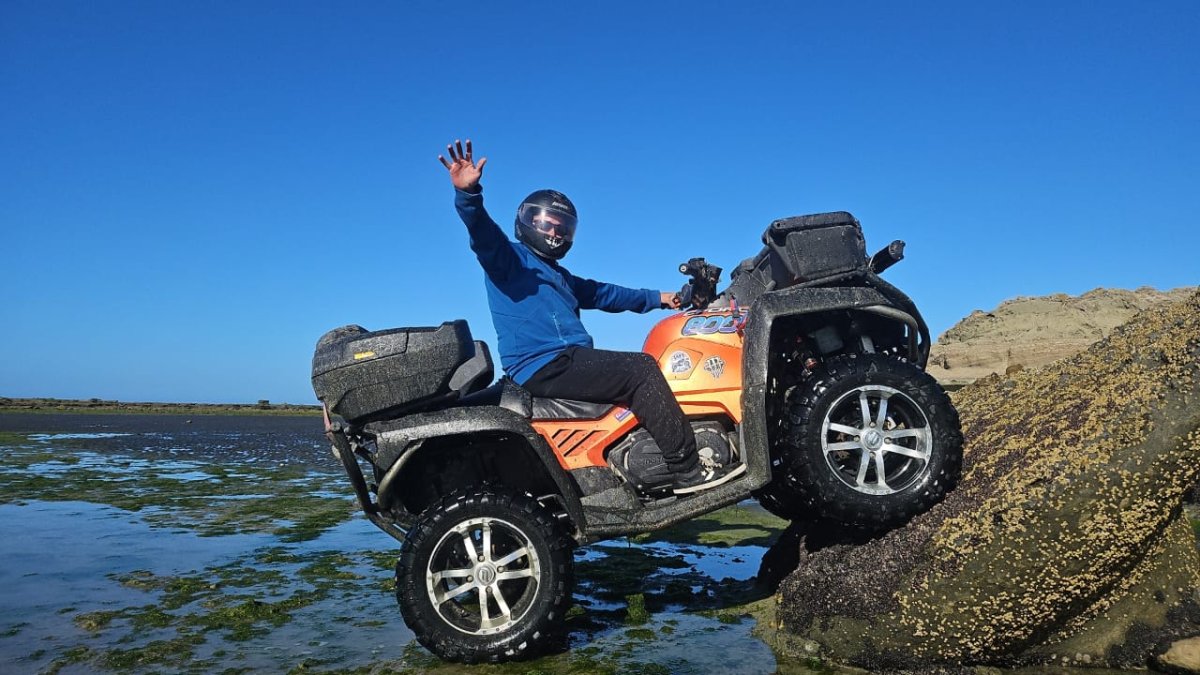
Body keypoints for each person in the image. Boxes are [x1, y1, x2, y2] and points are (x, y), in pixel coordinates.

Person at [438, 139, 745, 494]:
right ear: (527, 222)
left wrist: (666, 299)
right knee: (641, 370)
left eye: (562, 227)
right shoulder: (508, 260)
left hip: (566, 360)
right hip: (544, 364)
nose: (555, 232)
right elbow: (482, 234)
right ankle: (689, 471)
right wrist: (469, 195)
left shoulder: (560, 277)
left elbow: (606, 294)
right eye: (547, 223)